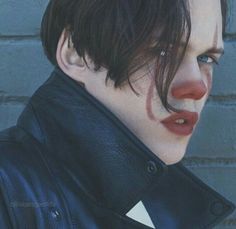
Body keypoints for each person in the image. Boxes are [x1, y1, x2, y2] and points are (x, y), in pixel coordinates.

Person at [0, 0, 235, 228]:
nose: (197, 87)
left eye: (206, 58)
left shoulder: (151, 202)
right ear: (76, 53)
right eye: (162, 52)